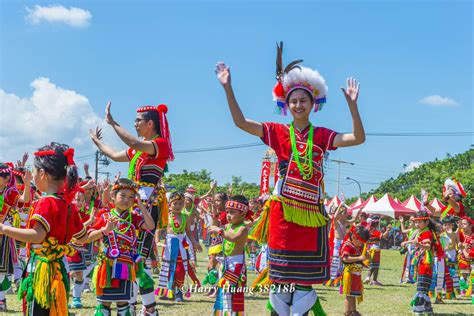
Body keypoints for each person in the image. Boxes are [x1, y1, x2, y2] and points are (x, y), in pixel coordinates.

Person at [216, 42, 365, 315]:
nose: (298, 105)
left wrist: (353, 107)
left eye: (303, 101)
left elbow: (358, 138)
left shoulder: (322, 136)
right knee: (281, 278)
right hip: (283, 213)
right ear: (287, 105)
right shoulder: (277, 132)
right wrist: (227, 87)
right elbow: (240, 122)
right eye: (293, 101)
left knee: (305, 280)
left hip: (312, 215)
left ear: (312, 104)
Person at [90, 102, 173, 316]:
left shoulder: (159, 144)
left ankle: (147, 308)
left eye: (138, 121)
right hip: (134, 205)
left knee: (138, 259)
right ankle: (138, 305)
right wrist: (97, 141)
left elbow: (133, 141)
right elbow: (115, 155)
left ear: (150, 123)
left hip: (146, 206)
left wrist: (112, 123)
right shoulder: (139, 150)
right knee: (131, 255)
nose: (135, 124)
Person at [0, 143, 87, 315]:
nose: (32, 177)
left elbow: (37, 236)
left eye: (33, 173)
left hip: (42, 270)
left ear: (42, 174)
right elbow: (83, 237)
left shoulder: (45, 202)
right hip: (61, 269)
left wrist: (4, 229)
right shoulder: (69, 206)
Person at [88, 178, 155, 316]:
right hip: (107, 265)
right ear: (113, 196)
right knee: (104, 303)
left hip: (126, 266)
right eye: (122, 196)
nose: (126, 200)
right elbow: (89, 236)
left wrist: (141, 205)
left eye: (131, 197)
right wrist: (104, 230)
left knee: (123, 302)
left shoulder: (133, 217)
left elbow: (150, 226)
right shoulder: (105, 216)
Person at [156, 192, 202, 302]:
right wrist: (157, 241)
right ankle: (169, 290)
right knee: (168, 268)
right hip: (169, 247)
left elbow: (189, 232)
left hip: (182, 245)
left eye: (180, 204)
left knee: (180, 269)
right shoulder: (166, 216)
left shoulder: (185, 217)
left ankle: (179, 292)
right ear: (169, 204)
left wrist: (195, 243)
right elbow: (158, 229)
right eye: (175, 203)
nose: (177, 206)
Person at [208, 195, 250, 315]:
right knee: (224, 292)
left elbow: (233, 238)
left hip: (236, 265)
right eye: (227, 212)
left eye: (232, 212)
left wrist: (219, 230)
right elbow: (215, 227)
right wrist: (215, 215)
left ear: (242, 214)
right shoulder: (227, 226)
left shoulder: (243, 228)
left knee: (231, 292)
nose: (228, 215)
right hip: (225, 263)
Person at [0, 162, 32, 310]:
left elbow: (24, 200)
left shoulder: (10, 192)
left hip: (3, 233)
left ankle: (1, 300)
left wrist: (26, 184)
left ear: (7, 179)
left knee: (1, 269)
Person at [403, 211, 444, 315]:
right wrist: (407, 242)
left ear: (426, 222)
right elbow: (418, 242)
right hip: (424, 262)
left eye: (419, 222)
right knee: (424, 287)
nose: (417, 224)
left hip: (425, 262)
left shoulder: (426, 232)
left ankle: (418, 309)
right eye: (416, 222)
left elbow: (428, 246)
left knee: (421, 287)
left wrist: (418, 244)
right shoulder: (424, 231)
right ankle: (427, 308)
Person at [339, 225, 370, 316]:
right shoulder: (348, 245)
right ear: (354, 237)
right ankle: (347, 312)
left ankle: (353, 311)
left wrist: (366, 257)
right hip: (348, 274)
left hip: (356, 274)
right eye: (361, 242)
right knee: (349, 294)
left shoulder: (357, 245)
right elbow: (345, 258)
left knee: (353, 294)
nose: (362, 244)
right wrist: (359, 257)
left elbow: (363, 256)